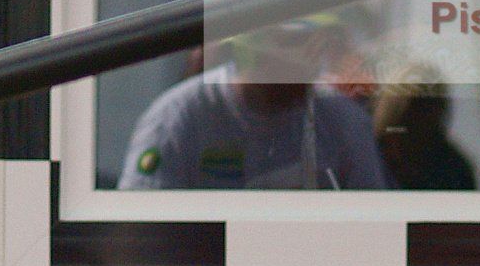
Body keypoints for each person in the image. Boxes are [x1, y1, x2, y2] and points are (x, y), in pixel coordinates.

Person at [120, 20, 388, 192]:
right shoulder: (178, 117)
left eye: (315, 48)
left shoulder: (341, 120)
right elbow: (138, 228)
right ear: (253, 54)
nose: (302, 70)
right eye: (290, 46)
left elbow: (378, 221)